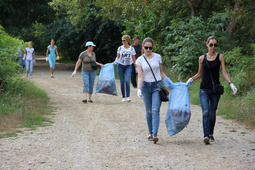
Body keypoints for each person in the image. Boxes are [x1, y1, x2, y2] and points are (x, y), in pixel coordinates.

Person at [186, 36, 238, 144]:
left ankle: (211, 134)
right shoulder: (201, 58)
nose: (213, 47)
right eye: (211, 45)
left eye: (215, 45)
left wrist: (231, 83)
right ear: (207, 45)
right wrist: (191, 79)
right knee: (205, 112)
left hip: (215, 89)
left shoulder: (220, 57)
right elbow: (200, 73)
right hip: (204, 89)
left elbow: (224, 72)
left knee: (212, 112)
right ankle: (206, 135)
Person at [136, 37, 172, 144]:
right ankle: (150, 132)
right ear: (142, 47)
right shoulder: (140, 60)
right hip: (146, 87)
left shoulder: (157, 57)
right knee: (149, 111)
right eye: (146, 47)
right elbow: (140, 76)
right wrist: (139, 89)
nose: (148, 49)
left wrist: (169, 82)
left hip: (157, 86)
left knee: (156, 110)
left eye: (150, 48)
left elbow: (161, 72)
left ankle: (155, 134)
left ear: (152, 47)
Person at [115, 35, 136, 102]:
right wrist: (116, 60)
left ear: (127, 41)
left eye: (124, 40)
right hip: (120, 66)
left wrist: (136, 67)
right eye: (122, 40)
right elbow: (117, 57)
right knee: (122, 81)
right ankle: (123, 96)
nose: (122, 42)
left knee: (127, 80)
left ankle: (128, 96)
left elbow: (134, 59)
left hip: (128, 66)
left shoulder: (132, 49)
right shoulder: (120, 48)